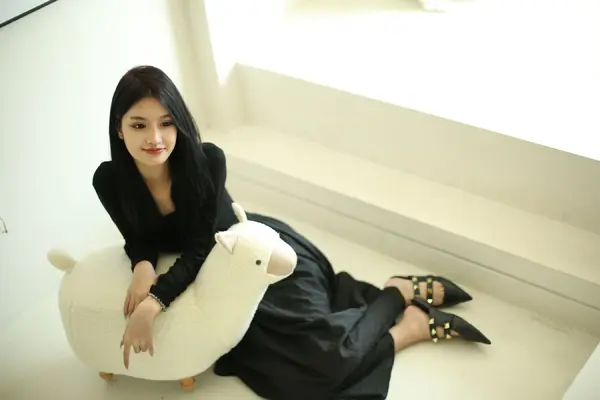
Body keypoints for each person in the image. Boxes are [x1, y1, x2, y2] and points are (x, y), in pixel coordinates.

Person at [93, 65, 491, 400]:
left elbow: (199, 248)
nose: (155, 138)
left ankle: (398, 298)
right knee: (301, 375)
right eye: (139, 125)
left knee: (324, 357)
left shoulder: (207, 161)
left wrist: (153, 303)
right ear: (119, 129)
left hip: (254, 259)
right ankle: (408, 321)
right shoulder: (109, 181)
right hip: (221, 284)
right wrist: (143, 264)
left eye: (166, 123)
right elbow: (137, 235)